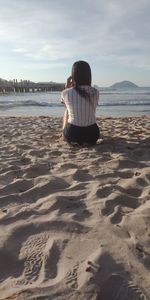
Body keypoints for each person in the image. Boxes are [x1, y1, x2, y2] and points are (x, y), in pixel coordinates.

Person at [61, 60, 100, 146]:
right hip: (93, 135)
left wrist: (66, 88)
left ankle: (63, 132)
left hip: (72, 134)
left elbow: (64, 105)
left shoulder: (66, 92)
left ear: (73, 76)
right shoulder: (95, 92)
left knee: (66, 110)